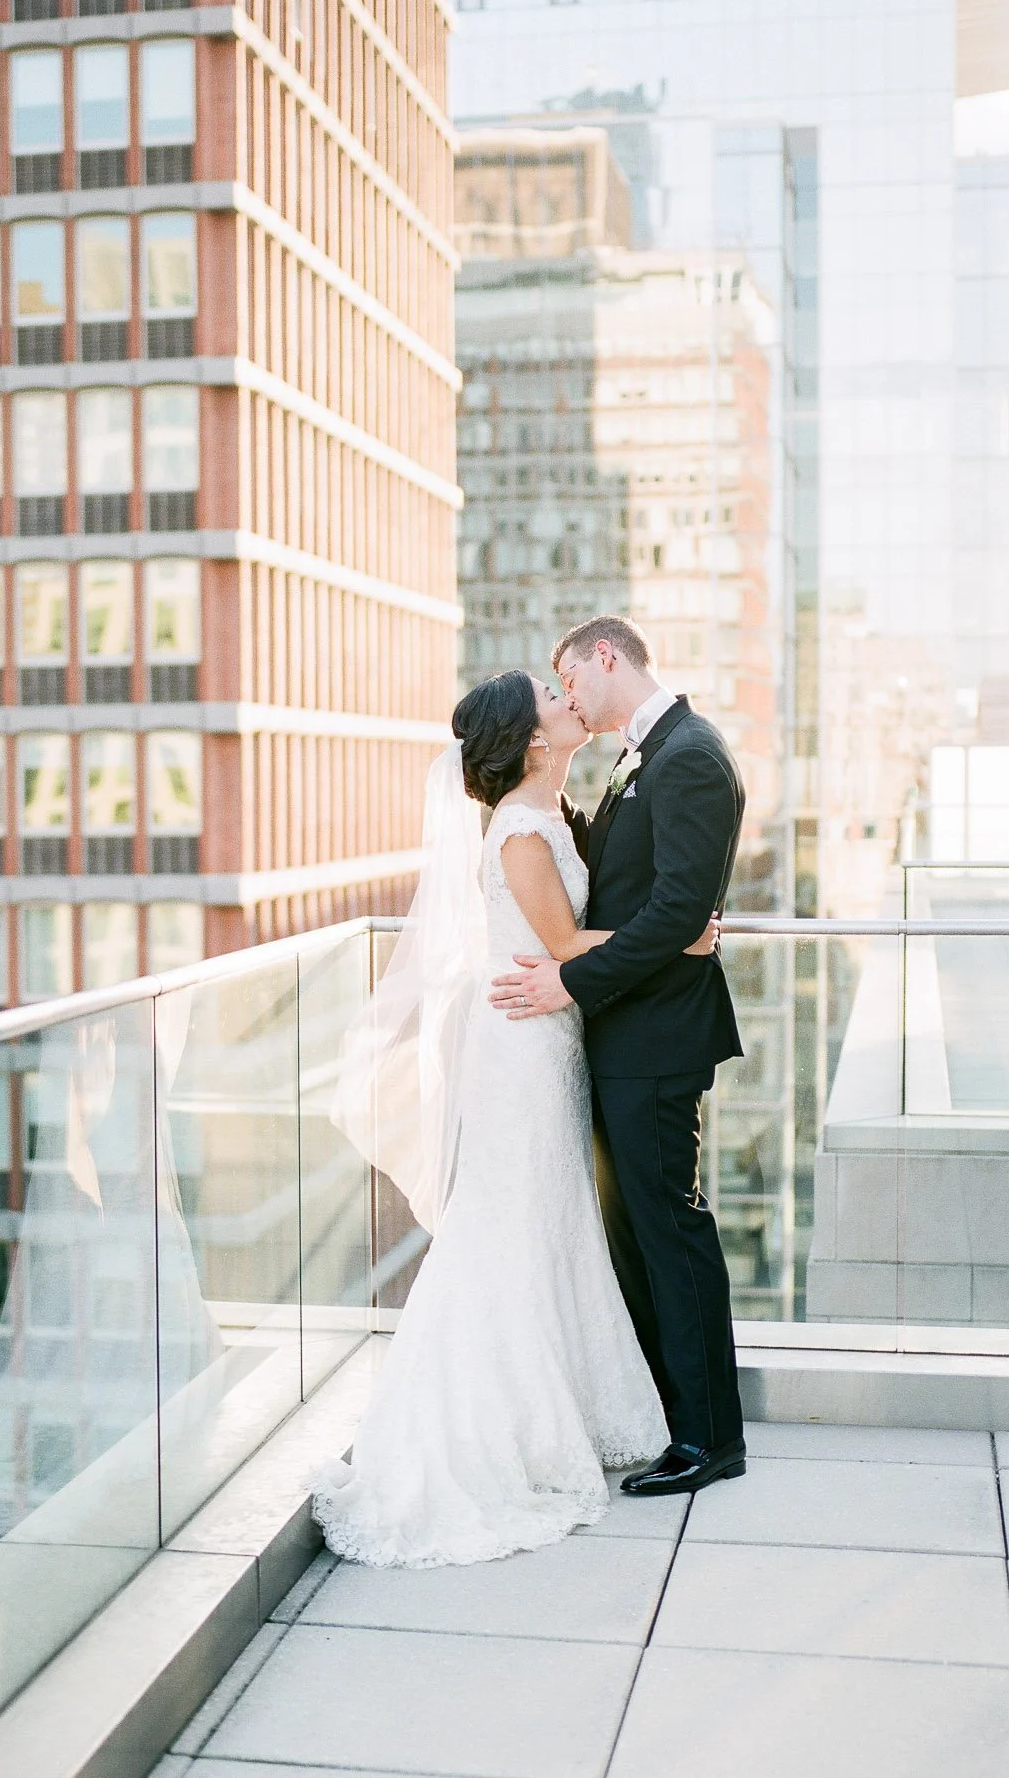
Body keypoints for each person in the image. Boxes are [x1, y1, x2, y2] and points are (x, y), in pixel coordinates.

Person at [311, 667, 719, 1567]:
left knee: (547, 1230)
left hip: (551, 1043)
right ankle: (490, 1431)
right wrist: (684, 932)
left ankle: (554, 1410)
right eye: (552, 697)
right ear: (534, 739)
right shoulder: (522, 833)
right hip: (526, 1054)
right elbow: (569, 945)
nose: (569, 700)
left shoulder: (551, 815)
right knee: (511, 1232)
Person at [491, 616, 746, 1498]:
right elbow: (634, 892)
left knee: (671, 1229)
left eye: (571, 677)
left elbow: (678, 913)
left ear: (607, 658)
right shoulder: (641, 757)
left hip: (659, 1040)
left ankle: (709, 1438)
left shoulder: (691, 755)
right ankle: (675, 1418)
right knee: (638, 1233)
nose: (569, 699)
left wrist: (570, 981)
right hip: (624, 1036)